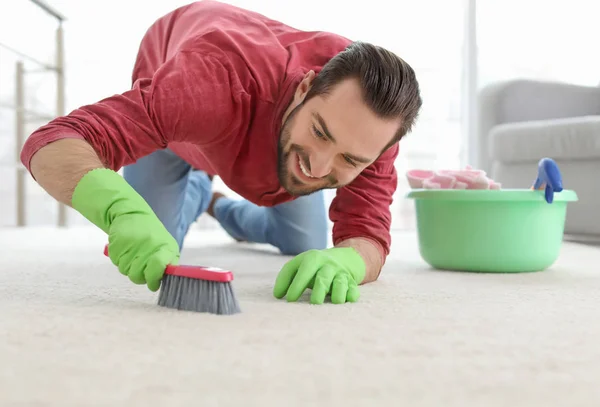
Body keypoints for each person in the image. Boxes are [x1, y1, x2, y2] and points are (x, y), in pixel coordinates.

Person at [20, 0, 422, 305]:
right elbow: (53, 141)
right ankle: (192, 183)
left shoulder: (372, 126)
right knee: (156, 244)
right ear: (305, 88)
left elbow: (367, 233)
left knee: (305, 244)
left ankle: (214, 202)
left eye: (349, 160)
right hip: (177, 124)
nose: (319, 167)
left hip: (256, 132)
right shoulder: (210, 84)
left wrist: (351, 260)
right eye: (319, 132)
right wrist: (119, 209)